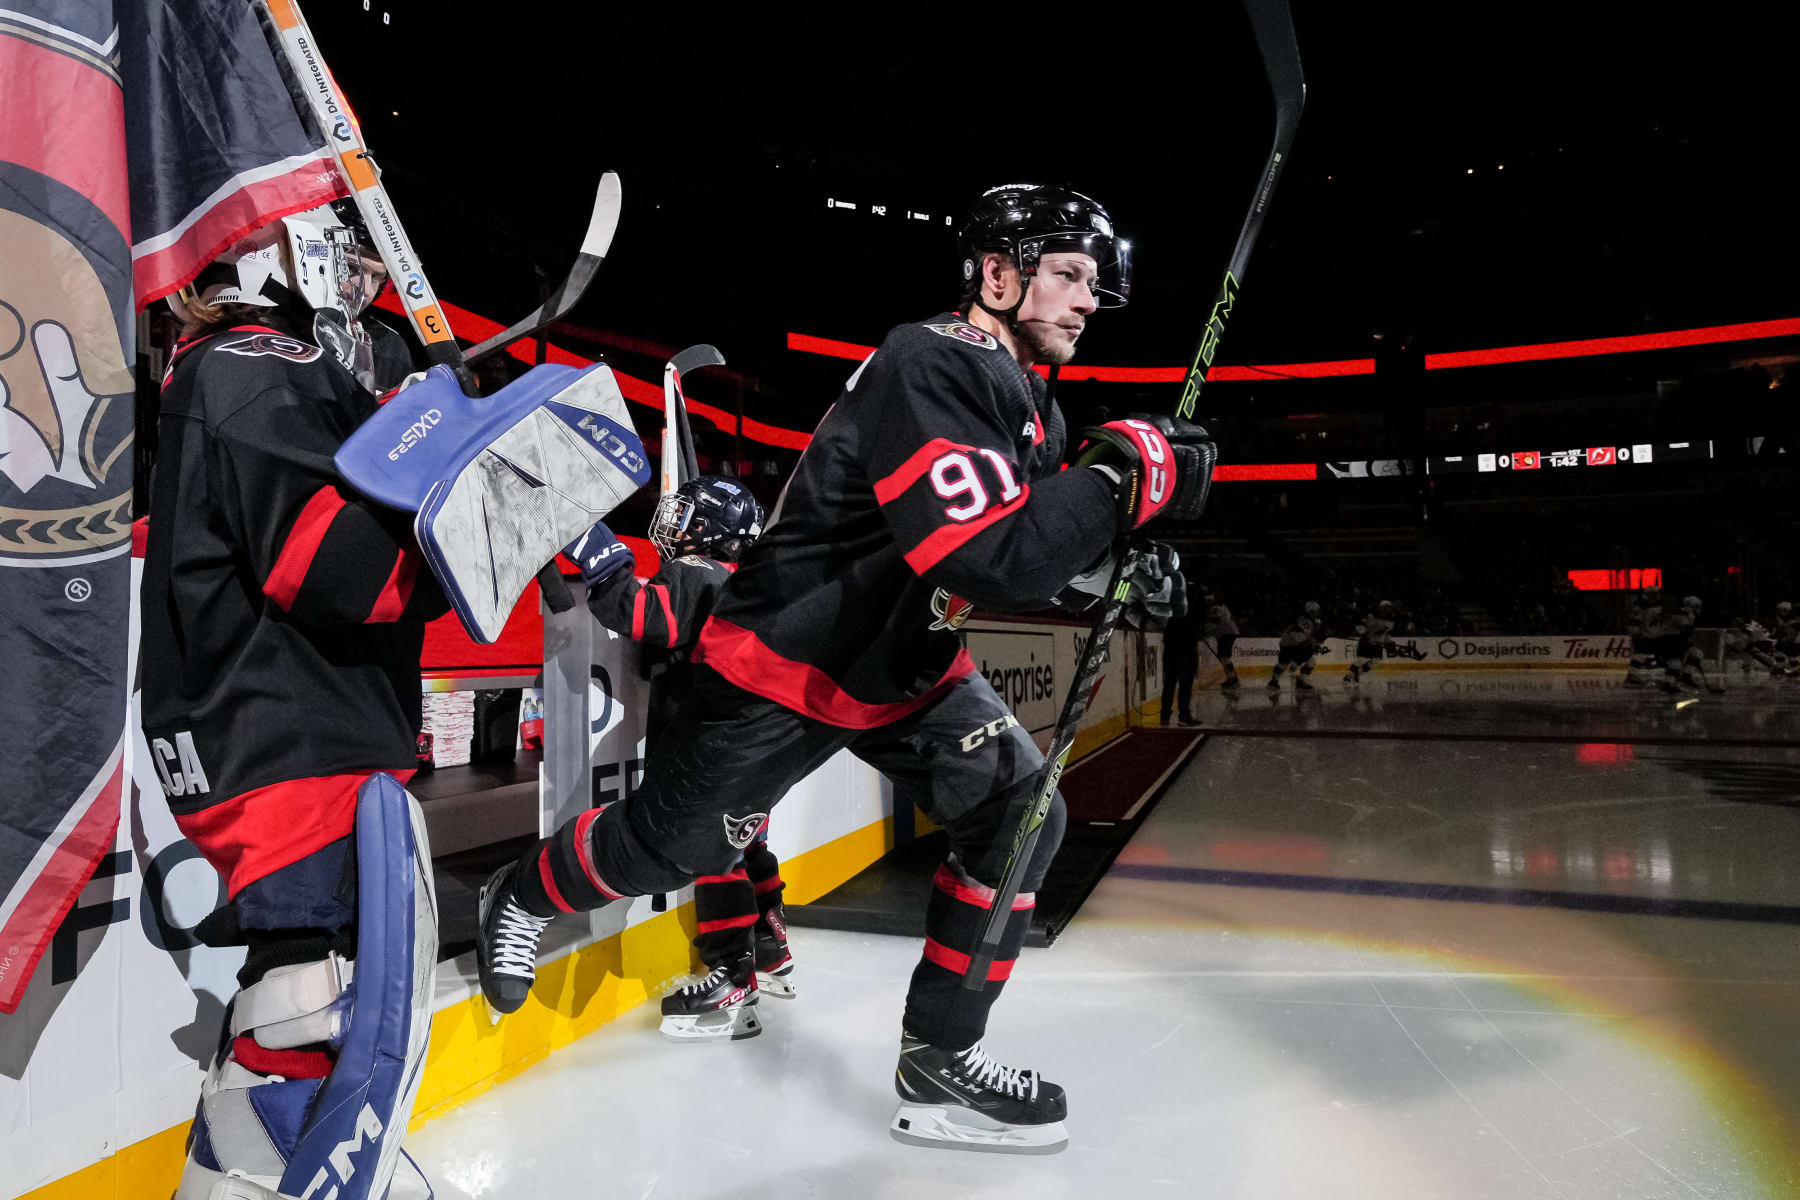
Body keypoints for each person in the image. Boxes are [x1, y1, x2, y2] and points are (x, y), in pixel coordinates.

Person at [474, 183, 1212, 1153]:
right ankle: (521, 892)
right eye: (1068, 275)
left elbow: (1020, 547)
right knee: (673, 851)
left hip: (903, 663)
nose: (1087, 300)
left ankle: (940, 1060)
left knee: (1026, 813)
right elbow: (981, 550)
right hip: (786, 663)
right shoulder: (933, 361)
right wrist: (1123, 477)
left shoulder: (1030, 404)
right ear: (997, 273)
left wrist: (1113, 561)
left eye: (1091, 284)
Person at [142, 202, 445, 1199]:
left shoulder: (237, 360)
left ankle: (248, 1160)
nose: (360, 274)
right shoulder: (261, 360)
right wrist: (456, 480)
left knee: (308, 980)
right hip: (286, 733)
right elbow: (342, 572)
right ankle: (266, 1160)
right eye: (341, 249)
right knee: (314, 1003)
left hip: (282, 726)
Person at [562, 475, 796, 1042]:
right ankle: (771, 944)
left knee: (715, 856)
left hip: (711, 751)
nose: (677, 524)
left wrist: (597, 551)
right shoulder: (741, 584)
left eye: (689, 515)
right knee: (748, 844)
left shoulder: (698, 573)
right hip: (752, 745)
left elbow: (641, 613)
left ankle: (731, 974)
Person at [1160, 573, 1201, 724]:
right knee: (1185, 684)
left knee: (1169, 683)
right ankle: (1184, 715)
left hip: (1171, 644)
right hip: (1186, 645)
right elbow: (1199, 617)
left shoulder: (1170, 595)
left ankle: (1164, 716)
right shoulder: (1194, 597)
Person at [1268, 600, 1324, 690]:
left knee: (1282, 664)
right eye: (1316, 611)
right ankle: (1301, 680)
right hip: (1293, 644)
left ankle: (1273, 681)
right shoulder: (1307, 621)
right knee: (1311, 661)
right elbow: (1305, 636)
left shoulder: (1304, 618)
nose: (1318, 613)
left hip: (1286, 642)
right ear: (1311, 611)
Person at [1345, 599, 1399, 684]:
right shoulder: (1372, 617)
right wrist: (1366, 636)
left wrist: (1389, 642)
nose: (1388, 609)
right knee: (1361, 659)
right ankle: (1348, 677)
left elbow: (1387, 635)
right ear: (1381, 608)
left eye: (1389, 608)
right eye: (1386, 607)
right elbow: (1359, 626)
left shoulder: (1391, 621)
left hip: (1378, 644)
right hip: (1367, 641)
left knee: (1375, 662)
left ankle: (1357, 675)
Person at [1623, 587, 1664, 687]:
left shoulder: (1658, 605)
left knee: (1645, 655)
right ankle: (1631, 676)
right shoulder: (1640, 606)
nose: (1657, 595)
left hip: (1652, 634)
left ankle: (1637, 674)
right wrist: (1636, 633)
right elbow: (1633, 621)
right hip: (1643, 635)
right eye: (1654, 593)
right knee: (1641, 655)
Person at [1203, 589, 1240, 691]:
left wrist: (1203, 632)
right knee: (1224, 657)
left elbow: (1213, 623)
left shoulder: (1217, 608)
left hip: (1226, 633)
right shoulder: (1220, 607)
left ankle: (1233, 680)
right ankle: (1232, 678)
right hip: (1226, 633)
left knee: (1224, 657)